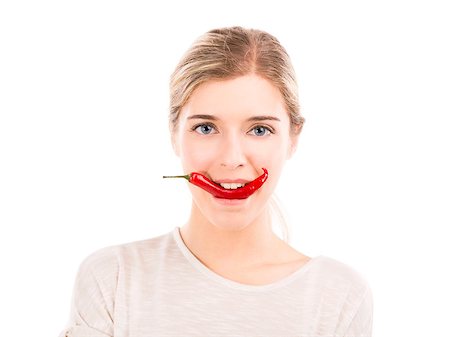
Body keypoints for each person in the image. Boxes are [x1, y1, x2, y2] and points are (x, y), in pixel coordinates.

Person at [59, 26, 373, 337]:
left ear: (293, 138)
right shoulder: (112, 280)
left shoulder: (339, 297)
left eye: (259, 129)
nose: (231, 158)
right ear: (174, 135)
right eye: (206, 128)